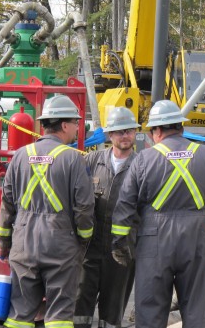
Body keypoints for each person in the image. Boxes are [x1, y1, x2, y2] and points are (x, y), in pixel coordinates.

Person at [111, 100, 205, 328]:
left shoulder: (143, 159)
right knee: (196, 310)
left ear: (157, 130)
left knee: (150, 311)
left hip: (154, 240)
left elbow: (125, 205)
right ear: (181, 126)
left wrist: (120, 244)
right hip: (198, 238)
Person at [0, 94, 95, 328]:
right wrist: (84, 238)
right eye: (75, 123)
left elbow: (7, 203)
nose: (76, 128)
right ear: (63, 125)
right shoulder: (73, 159)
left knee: (19, 315)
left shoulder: (20, 156)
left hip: (23, 243)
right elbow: (84, 206)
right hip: (60, 246)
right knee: (59, 316)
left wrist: (4, 240)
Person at [74, 107, 141, 328]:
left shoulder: (142, 166)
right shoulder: (92, 161)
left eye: (129, 131)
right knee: (79, 309)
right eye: (120, 131)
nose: (125, 136)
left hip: (123, 252)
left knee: (112, 314)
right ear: (110, 135)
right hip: (90, 250)